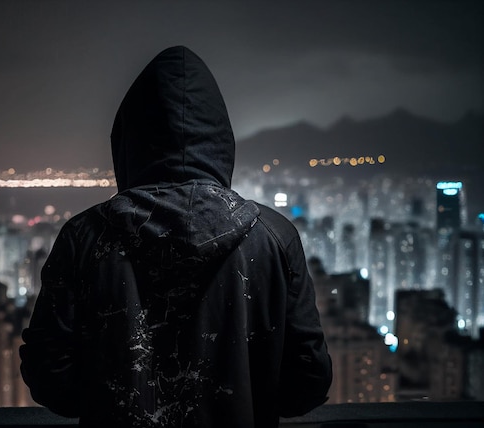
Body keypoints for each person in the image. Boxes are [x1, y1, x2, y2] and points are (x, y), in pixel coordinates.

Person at [19, 45, 332, 428]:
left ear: (127, 141)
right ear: (220, 142)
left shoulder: (84, 238)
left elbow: (51, 379)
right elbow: (307, 382)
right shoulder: (272, 237)